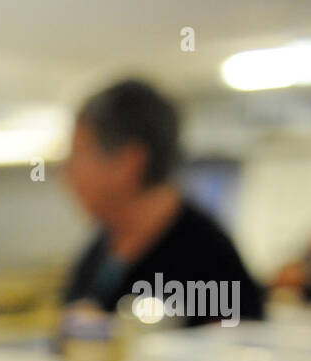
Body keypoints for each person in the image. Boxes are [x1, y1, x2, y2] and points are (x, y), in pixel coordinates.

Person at [62, 79, 264, 326]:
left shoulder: (209, 256)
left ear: (128, 162)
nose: (67, 172)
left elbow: (239, 350)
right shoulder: (97, 254)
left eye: (79, 154)